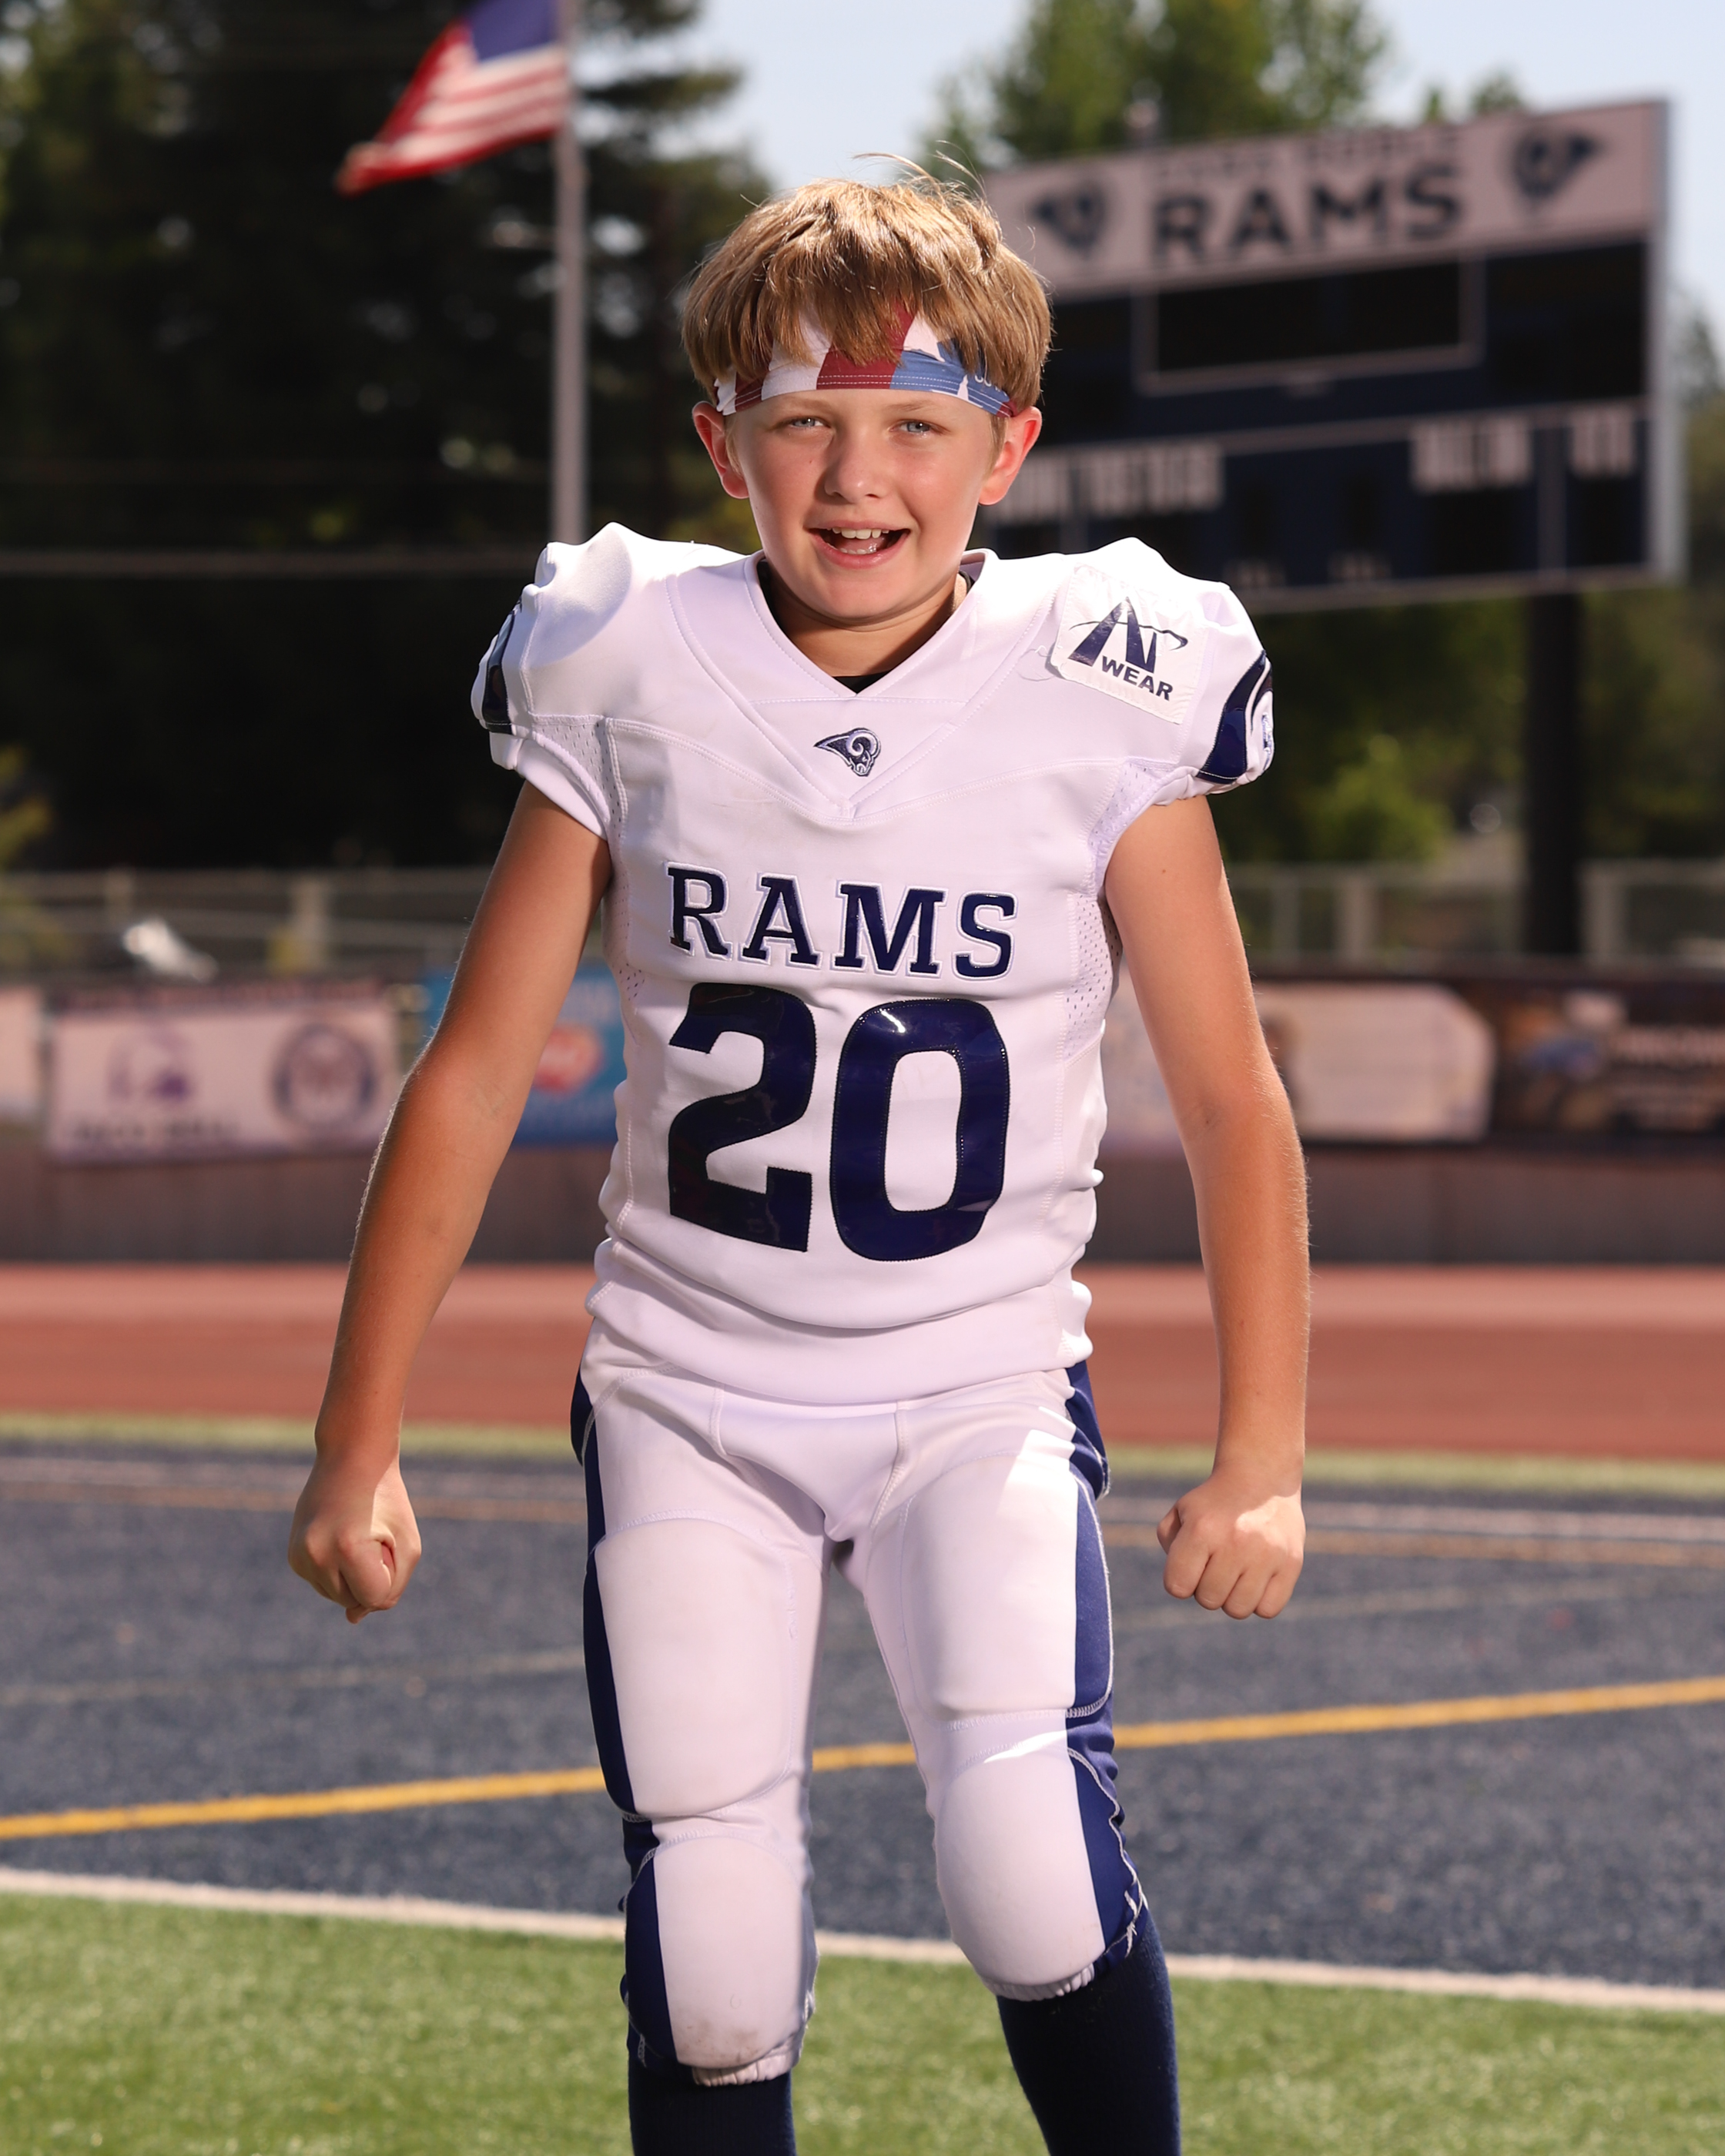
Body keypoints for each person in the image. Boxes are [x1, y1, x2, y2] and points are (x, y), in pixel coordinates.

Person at [290, 174, 1308, 2156]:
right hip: (690, 1383)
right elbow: (475, 1072)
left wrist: (1261, 1449)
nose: (858, 476)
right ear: (720, 446)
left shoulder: (1103, 678)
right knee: (715, 1946)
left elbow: (1228, 1095)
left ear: (1006, 449)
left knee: (1033, 1871)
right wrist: (357, 1435)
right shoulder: (627, 657)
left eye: (917, 422)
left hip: (976, 1376)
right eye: (803, 424)